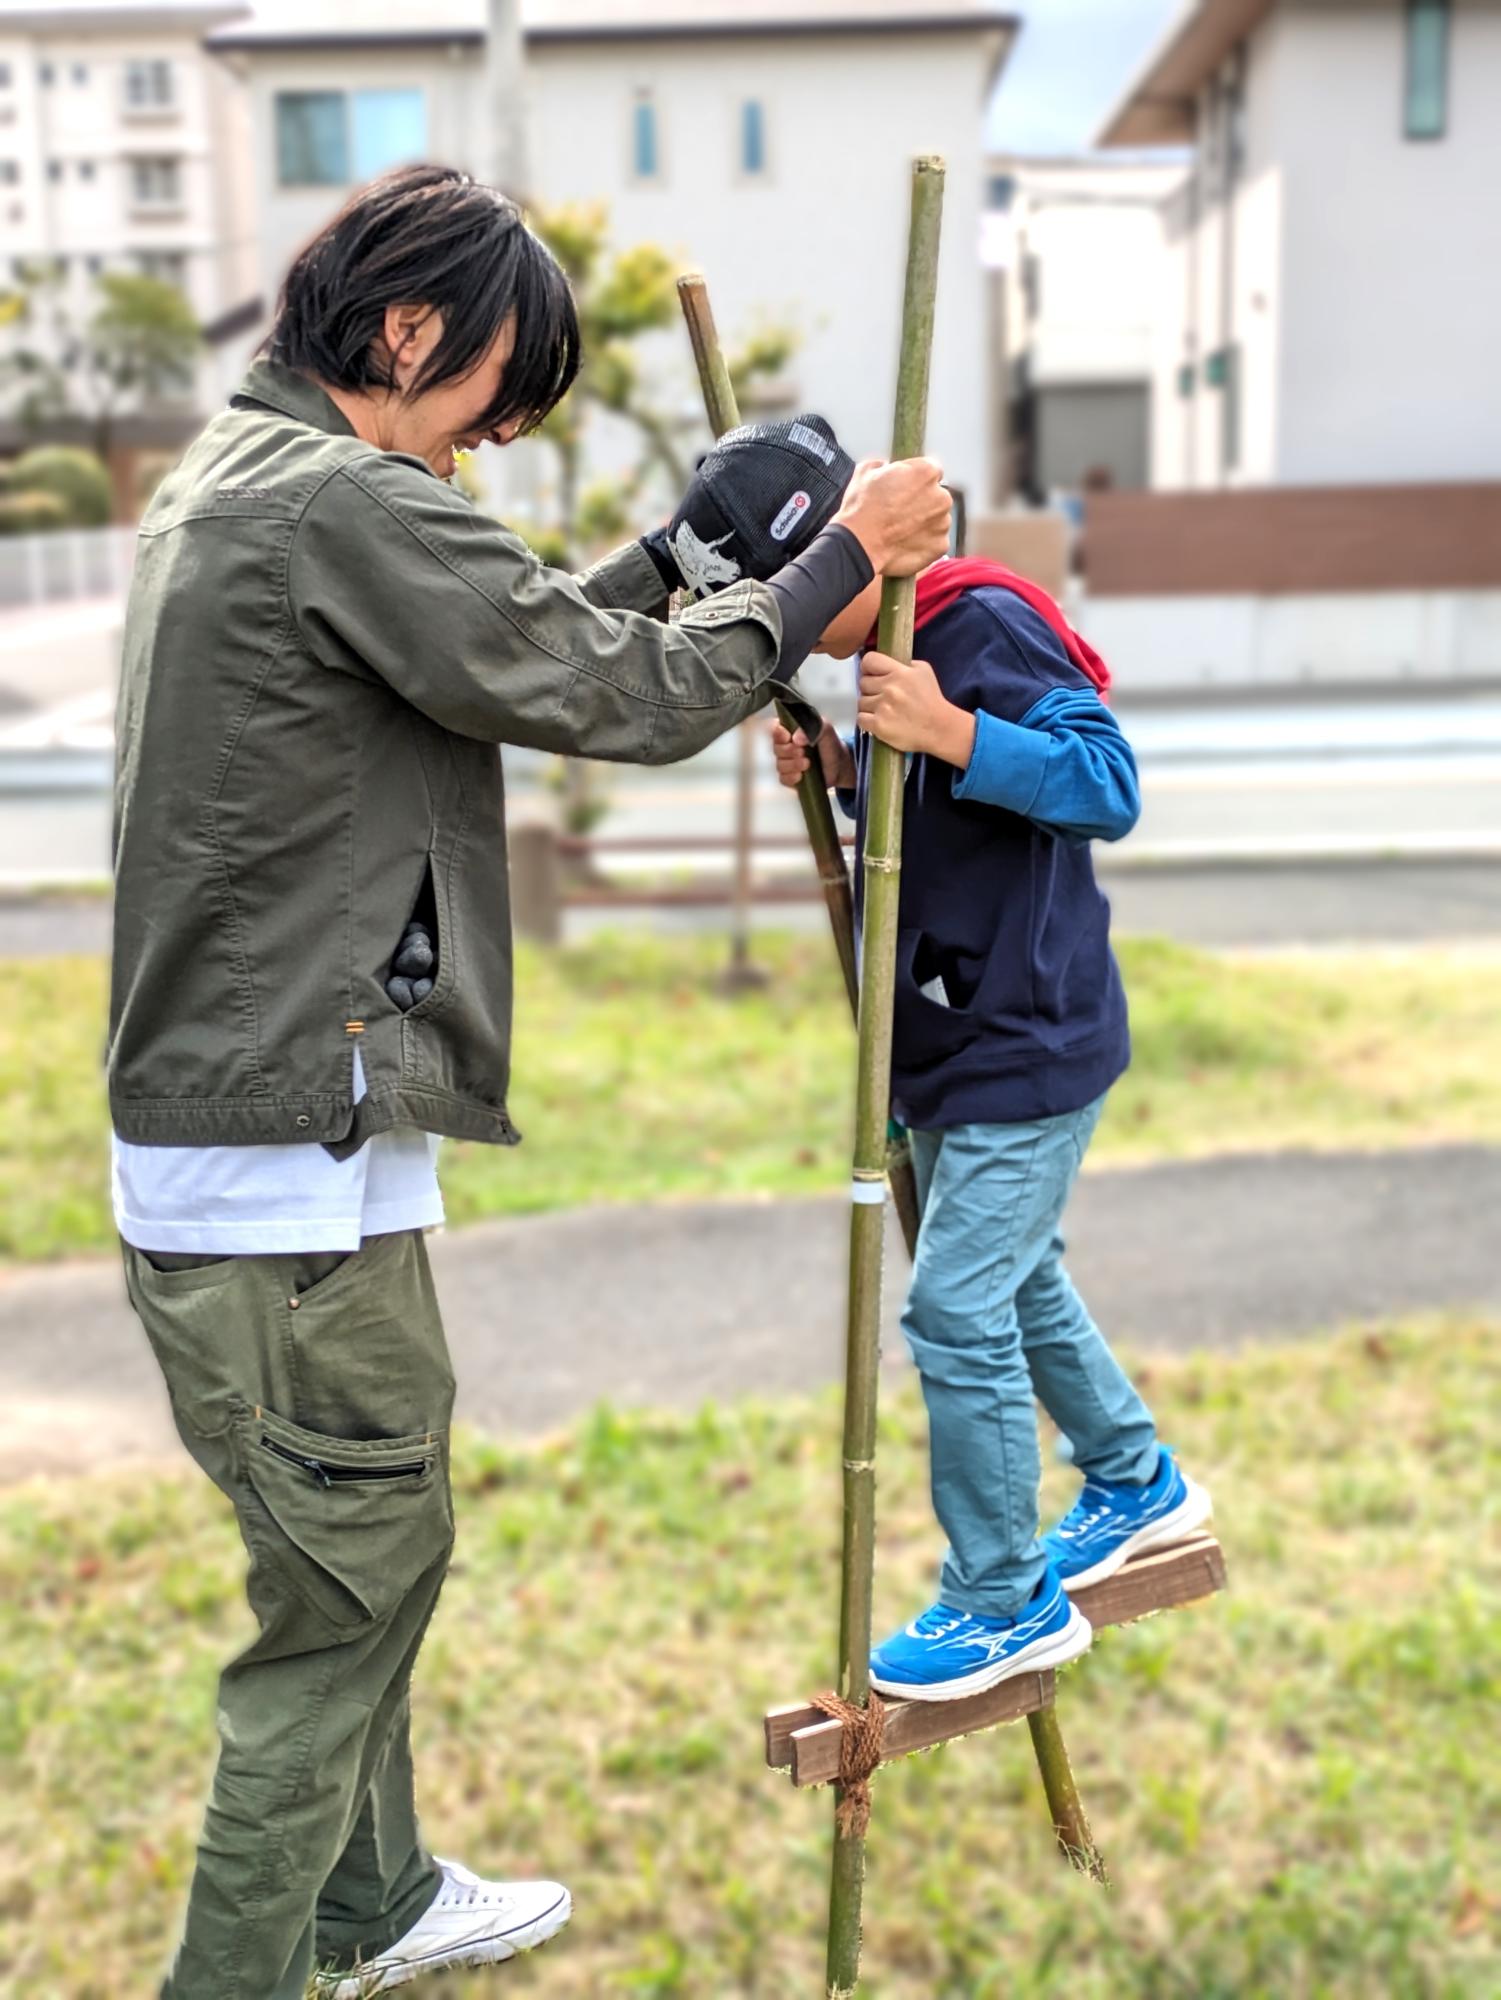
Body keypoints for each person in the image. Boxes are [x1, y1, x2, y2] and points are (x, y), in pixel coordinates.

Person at [109, 163, 949, 2000]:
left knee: (364, 1565)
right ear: (405, 330)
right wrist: (839, 564)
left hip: (266, 1154)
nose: (501, 427)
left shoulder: (244, 488)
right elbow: (620, 703)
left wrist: (679, 562)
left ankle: (380, 1900)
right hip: (283, 1176)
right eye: (499, 384)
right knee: (338, 1615)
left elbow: (506, 649)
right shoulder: (340, 498)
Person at [769, 486, 1212, 1705]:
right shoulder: (887, 660)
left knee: (955, 1310)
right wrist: (850, 770)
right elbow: (948, 838)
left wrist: (951, 729)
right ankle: (1134, 1478)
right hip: (948, 1046)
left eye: (804, 590)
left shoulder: (983, 621)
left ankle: (1000, 1592)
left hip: (1023, 1042)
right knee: (1015, 1279)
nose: (797, 624)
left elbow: (1102, 783)